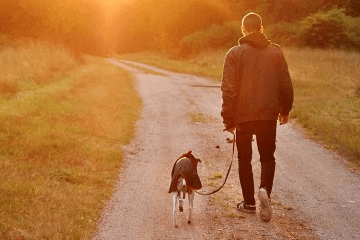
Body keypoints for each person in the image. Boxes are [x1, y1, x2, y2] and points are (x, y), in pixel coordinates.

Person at [221, 12, 294, 222]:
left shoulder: (234, 53)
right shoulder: (276, 52)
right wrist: (285, 110)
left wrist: (228, 118)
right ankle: (264, 191)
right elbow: (285, 83)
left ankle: (249, 203)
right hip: (268, 115)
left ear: (243, 29)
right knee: (267, 157)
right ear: (261, 28)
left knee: (244, 159)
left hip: (242, 116)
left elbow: (229, 89)